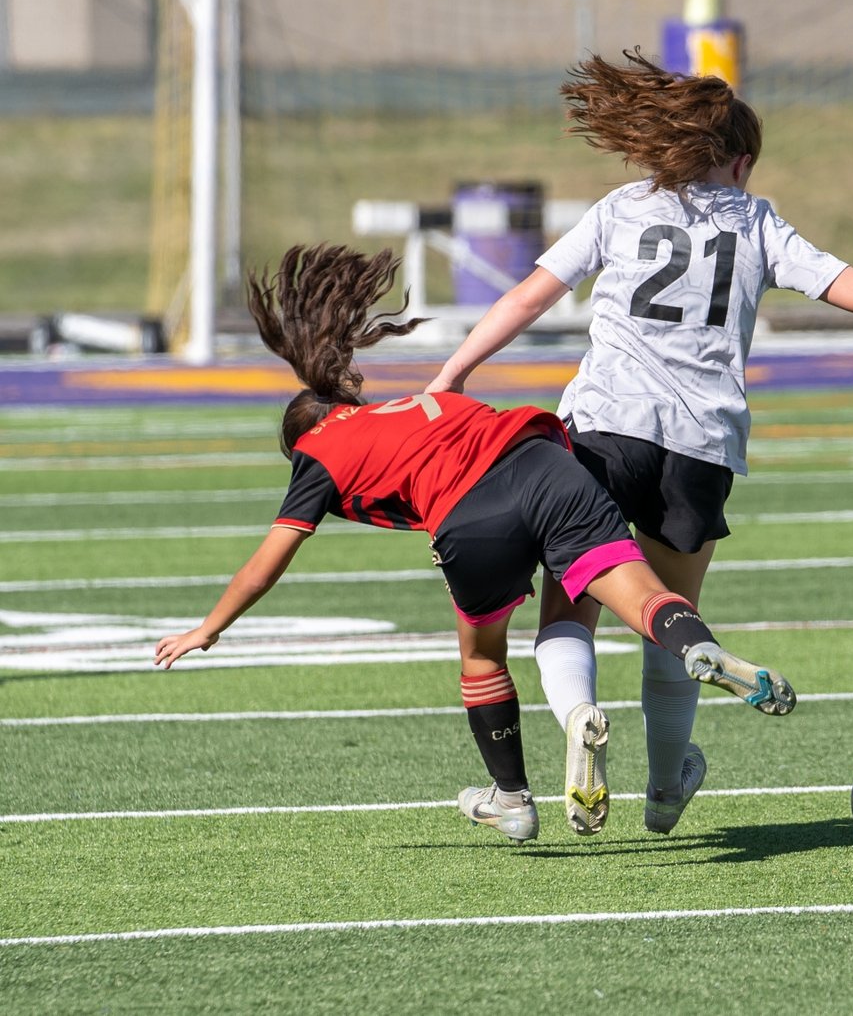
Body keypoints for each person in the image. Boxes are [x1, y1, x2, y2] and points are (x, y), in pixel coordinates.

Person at [425, 49, 853, 835]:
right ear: (740, 162)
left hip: (603, 431)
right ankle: (665, 787)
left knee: (570, 606)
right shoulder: (758, 221)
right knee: (673, 619)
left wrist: (455, 370)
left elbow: (527, 297)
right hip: (699, 449)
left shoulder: (622, 208)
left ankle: (578, 715)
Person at [153, 243, 796, 845]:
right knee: (642, 595)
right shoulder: (413, 405)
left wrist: (208, 629)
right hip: (545, 465)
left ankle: (514, 798)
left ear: (304, 436)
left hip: (470, 517)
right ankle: (697, 646)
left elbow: (266, 564)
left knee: (483, 658)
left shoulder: (318, 449)